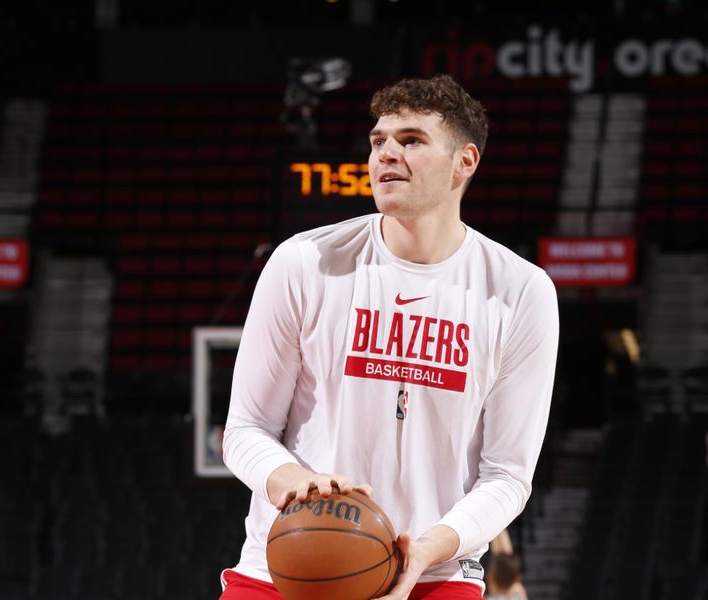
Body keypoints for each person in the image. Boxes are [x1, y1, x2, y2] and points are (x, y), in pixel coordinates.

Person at [221, 74, 559, 599]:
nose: (385, 155)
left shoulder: (520, 292)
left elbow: (507, 476)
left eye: (411, 141)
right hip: (289, 567)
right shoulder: (304, 262)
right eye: (379, 141)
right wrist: (291, 481)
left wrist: (429, 546)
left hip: (434, 576)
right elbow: (245, 430)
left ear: (464, 162)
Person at [485, 530, 528, 600]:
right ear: (517, 579)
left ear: (490, 578)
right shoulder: (519, 592)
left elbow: (506, 559)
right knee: (504, 561)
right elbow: (506, 560)